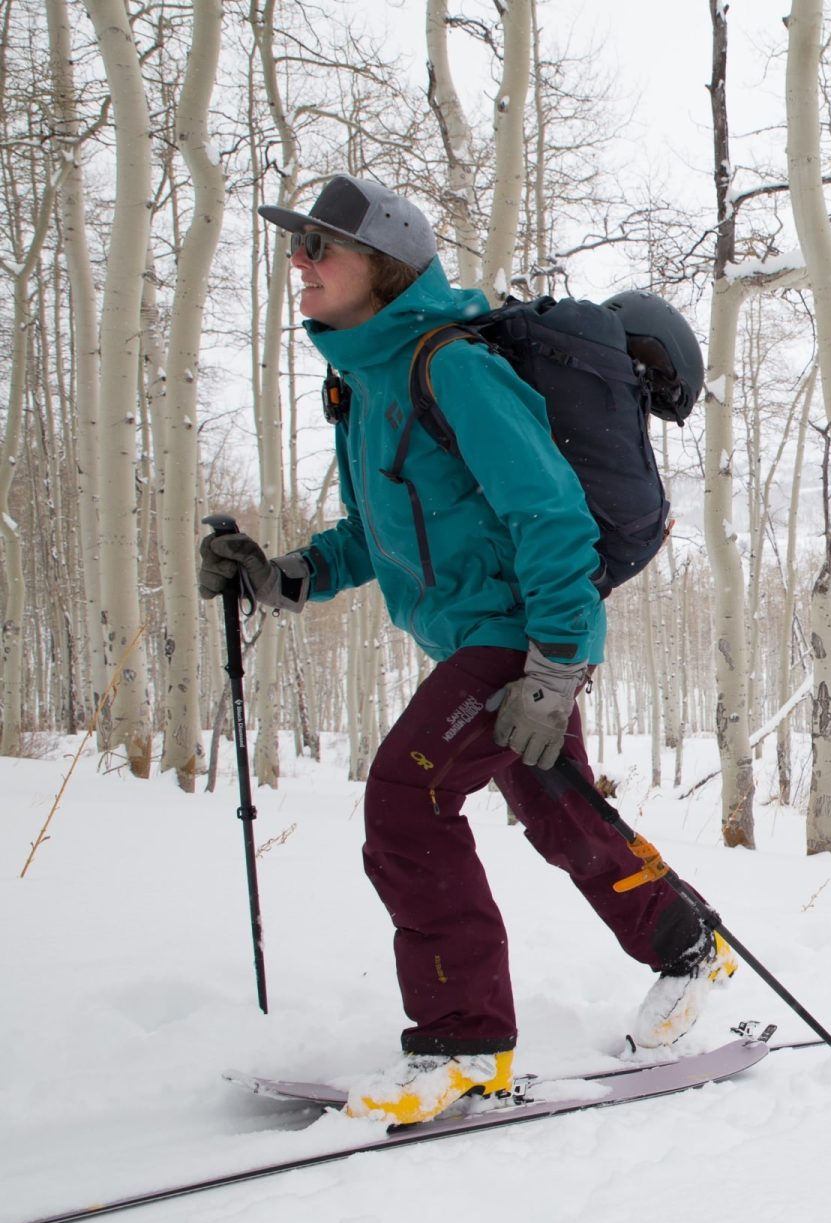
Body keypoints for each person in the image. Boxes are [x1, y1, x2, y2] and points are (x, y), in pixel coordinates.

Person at [198, 175, 732, 1124]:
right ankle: (686, 941)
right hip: (488, 640)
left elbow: (553, 515)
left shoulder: (452, 368)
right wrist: (283, 575)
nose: (299, 262)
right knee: (557, 809)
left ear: (386, 267)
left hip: (523, 635)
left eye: (321, 247)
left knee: (409, 798)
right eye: (299, 246)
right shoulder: (360, 386)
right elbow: (371, 534)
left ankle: (465, 1039)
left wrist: (556, 667)